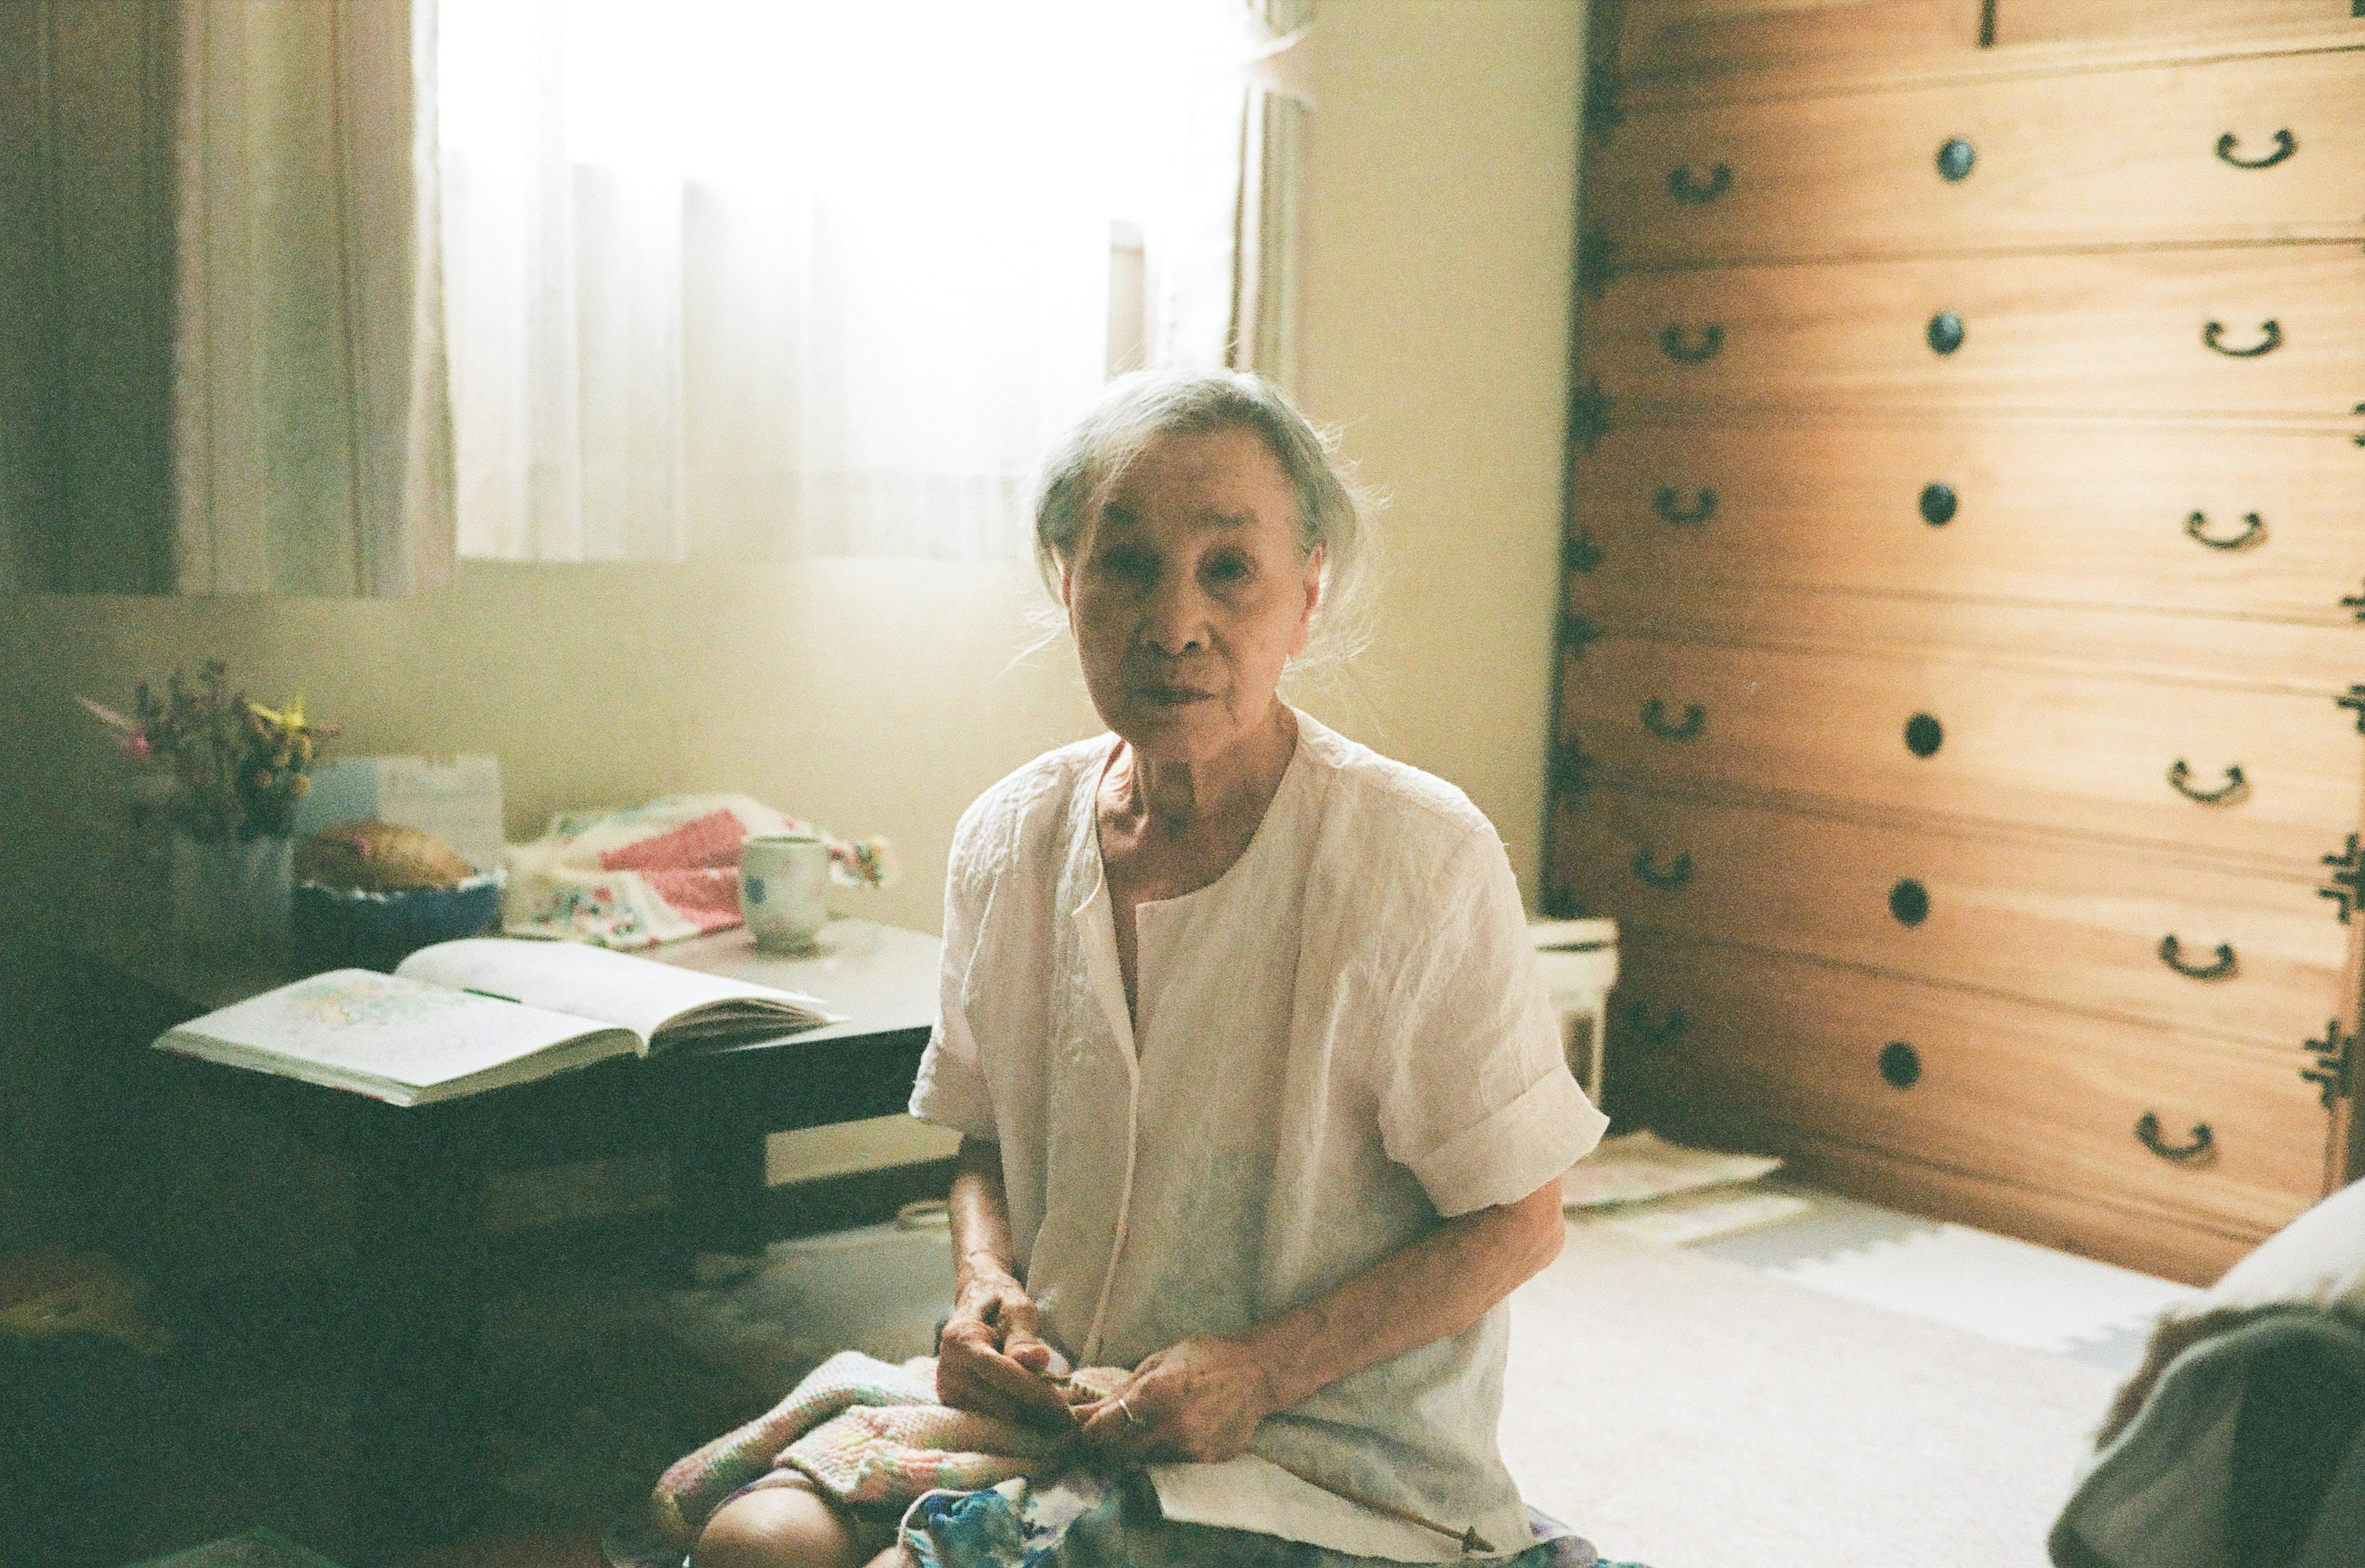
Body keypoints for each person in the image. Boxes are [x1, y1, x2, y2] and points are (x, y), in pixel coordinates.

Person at [694, 370, 1609, 1568]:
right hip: (1062, 1415)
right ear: (1063, 581)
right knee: (752, 1544)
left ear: (1308, 595)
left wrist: (1260, 1369)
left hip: (1321, 1453)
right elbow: (986, 1139)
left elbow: (1520, 1221)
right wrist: (982, 1285)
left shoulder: (1416, 858)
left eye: (1229, 569)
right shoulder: (1008, 838)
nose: (1175, 622)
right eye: (1127, 564)